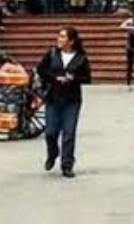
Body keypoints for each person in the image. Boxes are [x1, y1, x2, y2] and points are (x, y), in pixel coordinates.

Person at [36, 27, 92, 178]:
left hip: (71, 99)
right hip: (53, 97)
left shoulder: (81, 57)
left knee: (69, 132)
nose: (59, 39)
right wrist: (55, 78)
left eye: (63, 37)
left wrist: (73, 78)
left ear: (71, 41)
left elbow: (87, 78)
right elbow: (41, 70)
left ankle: (67, 164)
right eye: (59, 36)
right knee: (50, 132)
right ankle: (52, 153)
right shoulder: (52, 53)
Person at [119, 7, 134, 89]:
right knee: (130, 64)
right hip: (131, 44)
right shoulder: (130, 20)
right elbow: (121, 26)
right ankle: (128, 81)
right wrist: (130, 27)